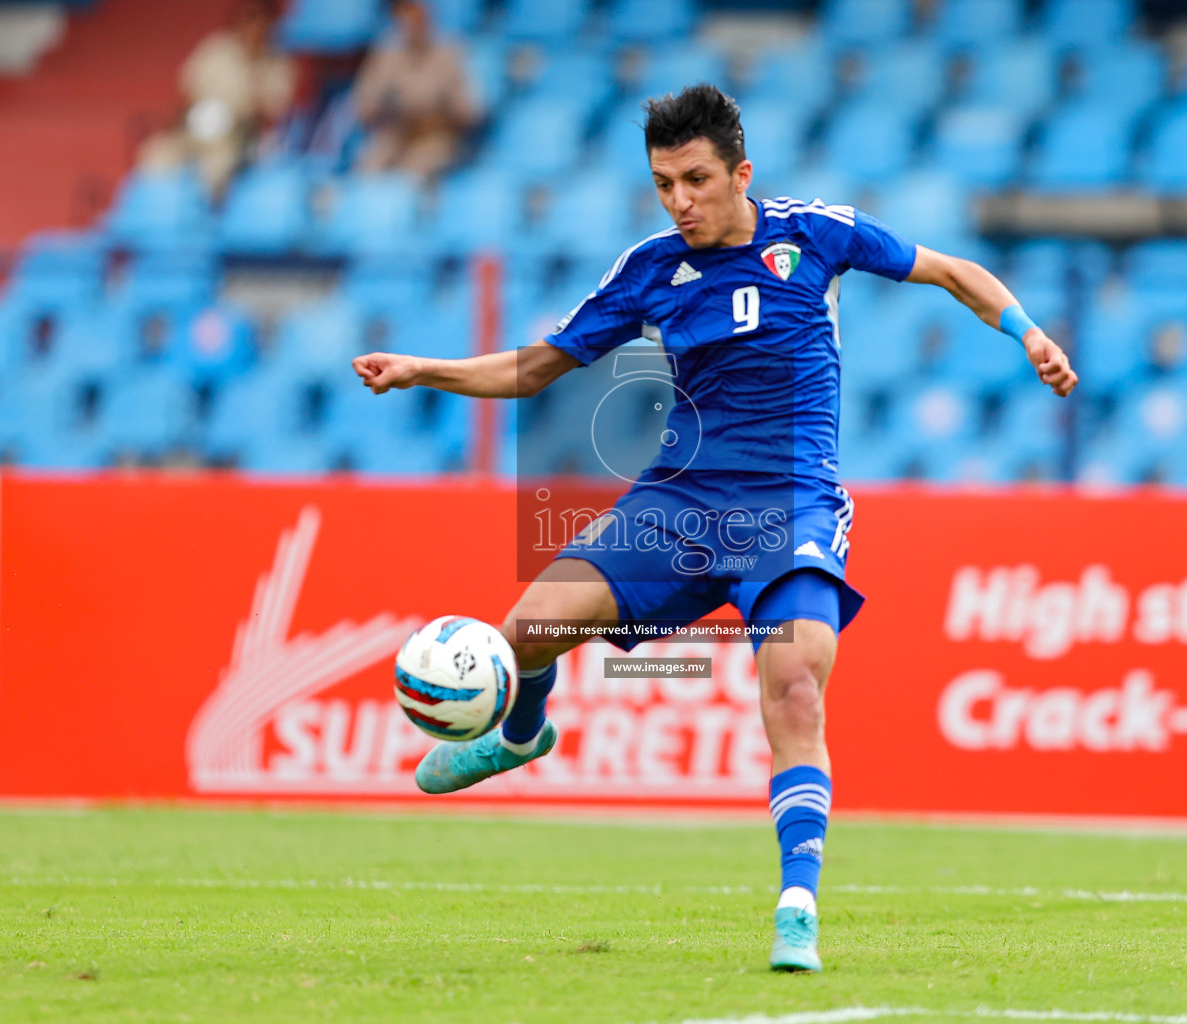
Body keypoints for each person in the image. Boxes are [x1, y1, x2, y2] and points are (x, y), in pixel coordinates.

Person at [350, 84, 1077, 973]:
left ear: (742, 173)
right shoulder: (651, 267)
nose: (680, 201)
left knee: (797, 689)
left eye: (695, 180)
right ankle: (522, 732)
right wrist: (424, 368)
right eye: (663, 184)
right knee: (524, 632)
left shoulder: (816, 233)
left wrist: (1029, 335)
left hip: (791, 504)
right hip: (679, 503)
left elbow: (954, 271)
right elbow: (538, 366)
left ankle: (796, 908)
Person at [138, 0, 298, 197]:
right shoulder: (216, 49)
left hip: (238, 139)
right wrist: (173, 130)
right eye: (250, 18)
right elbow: (187, 95)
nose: (254, 25)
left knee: (215, 169)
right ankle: (158, 214)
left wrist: (253, 68)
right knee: (158, 153)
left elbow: (272, 117)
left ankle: (203, 220)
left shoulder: (278, 64)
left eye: (261, 20)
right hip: (197, 128)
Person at [351, 0, 478, 179]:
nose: (410, 20)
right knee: (367, 169)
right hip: (394, 132)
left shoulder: (449, 54)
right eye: (403, 13)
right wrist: (389, 105)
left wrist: (437, 105)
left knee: (412, 173)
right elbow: (363, 107)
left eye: (415, 12)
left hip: (435, 136)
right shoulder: (386, 54)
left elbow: (471, 113)